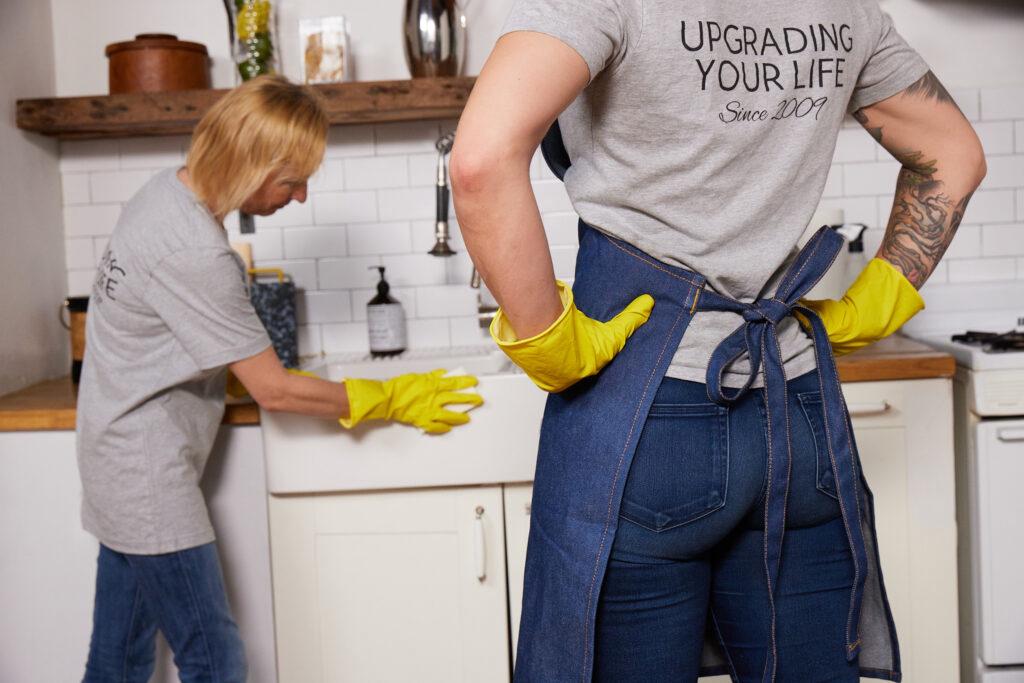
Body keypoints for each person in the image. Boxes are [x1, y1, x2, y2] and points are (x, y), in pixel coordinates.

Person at [451, 1, 985, 681]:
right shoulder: (844, 8)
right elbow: (954, 155)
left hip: (643, 421)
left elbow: (480, 161)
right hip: (796, 419)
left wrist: (547, 337)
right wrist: (878, 299)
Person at [77, 75, 482, 682]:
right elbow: (275, 389)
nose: (300, 197)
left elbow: (170, 327)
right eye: (292, 181)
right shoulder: (194, 250)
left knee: (119, 659)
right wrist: (389, 396)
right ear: (250, 165)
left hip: (112, 452)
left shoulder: (164, 193)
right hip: (145, 475)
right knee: (214, 660)